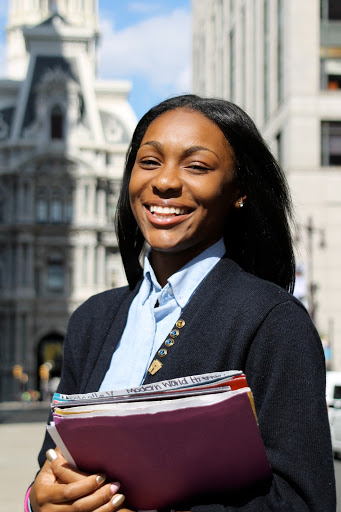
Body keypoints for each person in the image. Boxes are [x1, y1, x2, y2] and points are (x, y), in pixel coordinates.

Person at [28, 95, 336, 511]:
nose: (166, 182)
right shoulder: (92, 321)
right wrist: (39, 499)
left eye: (197, 166)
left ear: (239, 191)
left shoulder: (272, 321)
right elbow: (52, 465)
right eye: (150, 162)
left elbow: (303, 501)